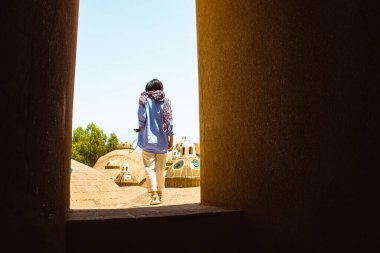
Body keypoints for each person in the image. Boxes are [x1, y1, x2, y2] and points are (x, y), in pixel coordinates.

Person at [136, 79, 174, 205]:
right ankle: (161, 193)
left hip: (147, 141)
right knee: (160, 169)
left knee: (149, 169)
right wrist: (171, 141)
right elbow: (169, 123)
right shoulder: (166, 102)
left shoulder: (144, 100)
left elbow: (141, 119)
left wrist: (140, 129)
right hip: (162, 142)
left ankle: (154, 196)